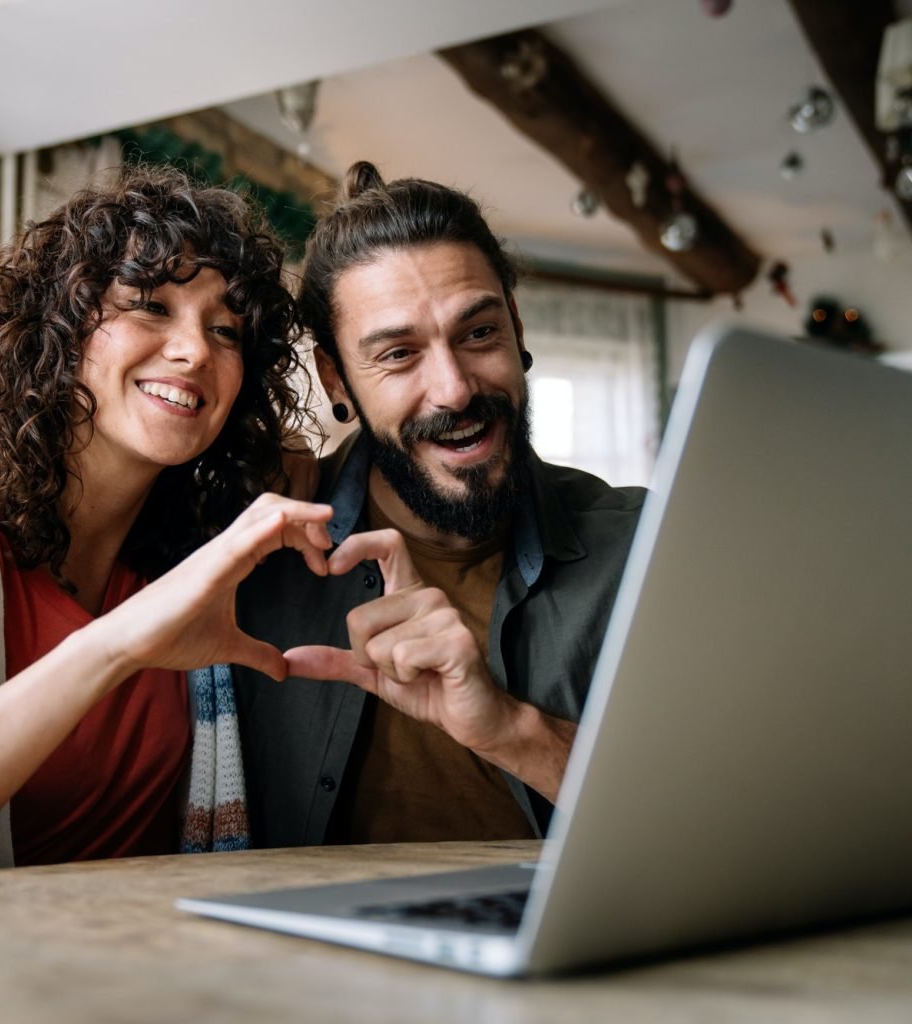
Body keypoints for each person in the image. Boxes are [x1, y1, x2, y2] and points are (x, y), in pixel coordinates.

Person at [0, 165, 333, 877]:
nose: (196, 350)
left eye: (226, 330)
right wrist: (114, 647)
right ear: (60, 330)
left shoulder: (191, 553)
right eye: (151, 307)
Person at [232, 161, 646, 847]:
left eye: (479, 333)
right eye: (398, 354)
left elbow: (727, 828)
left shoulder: (648, 553)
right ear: (336, 377)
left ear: (516, 327)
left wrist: (514, 732)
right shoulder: (256, 558)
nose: (453, 389)